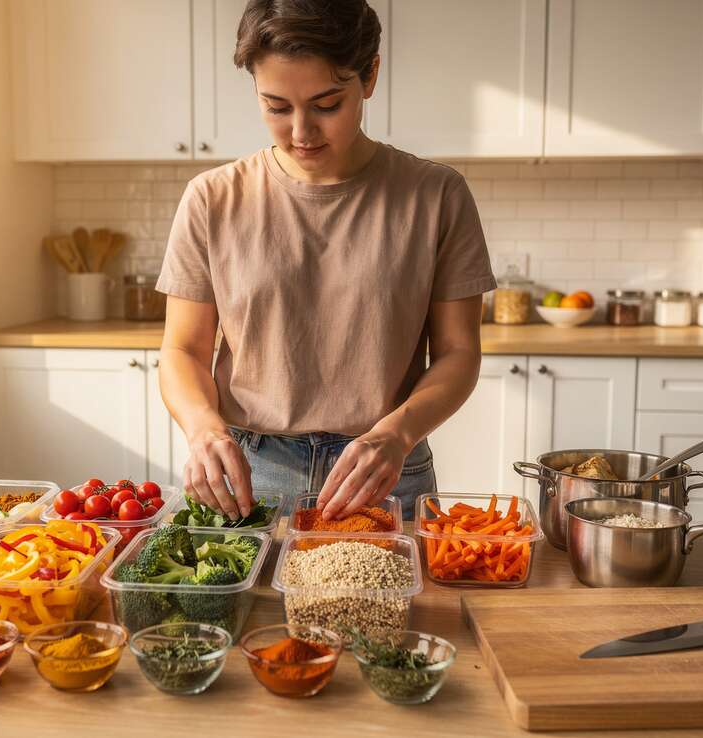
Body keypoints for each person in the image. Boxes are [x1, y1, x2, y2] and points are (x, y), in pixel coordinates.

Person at [156, 0, 495, 522]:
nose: (301, 132)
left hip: (384, 469)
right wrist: (202, 425)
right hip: (248, 473)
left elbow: (458, 353)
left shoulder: (436, 195)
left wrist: (397, 432)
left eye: (327, 104)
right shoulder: (213, 198)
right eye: (276, 107)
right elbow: (182, 349)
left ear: (370, 75)